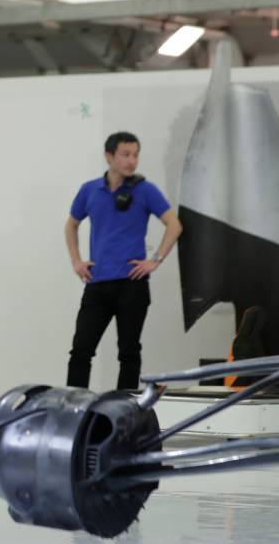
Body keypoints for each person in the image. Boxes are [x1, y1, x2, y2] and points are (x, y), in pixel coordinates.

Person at [64, 131, 183, 390]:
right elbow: (71, 224)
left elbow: (174, 225)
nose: (132, 161)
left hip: (132, 284)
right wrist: (77, 261)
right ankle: (74, 404)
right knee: (81, 349)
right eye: (126, 154)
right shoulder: (90, 190)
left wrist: (154, 260)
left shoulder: (145, 190)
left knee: (129, 352)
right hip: (97, 283)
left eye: (136, 155)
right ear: (109, 156)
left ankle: (125, 405)